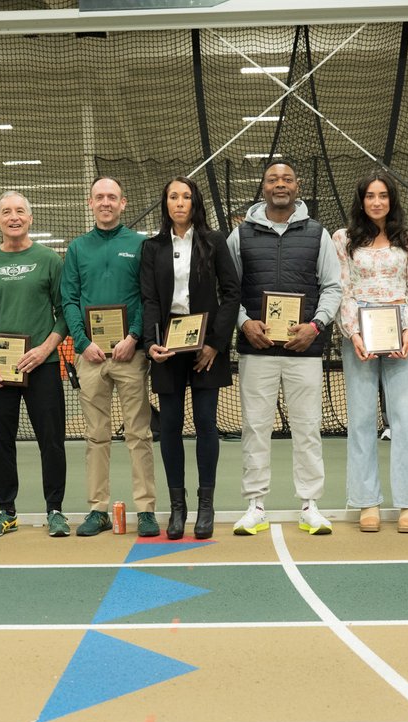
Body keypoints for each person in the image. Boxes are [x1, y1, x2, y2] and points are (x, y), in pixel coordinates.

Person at [227, 158, 343, 536]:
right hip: (256, 351)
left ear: (297, 186)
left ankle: (310, 505)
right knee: (255, 428)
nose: (280, 184)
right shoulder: (240, 235)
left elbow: (333, 287)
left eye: (287, 178)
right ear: (263, 188)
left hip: (302, 350)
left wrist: (315, 326)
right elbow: (226, 291)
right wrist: (244, 322)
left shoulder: (317, 234)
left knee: (307, 428)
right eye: (273, 179)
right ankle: (255, 506)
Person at [141, 176, 240, 540]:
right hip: (167, 347)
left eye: (185, 196)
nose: (179, 202)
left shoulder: (214, 241)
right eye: (172, 196)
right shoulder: (152, 248)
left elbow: (231, 293)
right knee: (168, 426)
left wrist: (215, 343)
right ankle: (178, 508)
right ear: (165, 203)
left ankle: (205, 506)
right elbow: (150, 299)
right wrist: (153, 344)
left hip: (206, 347)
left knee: (205, 422)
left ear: (194, 202)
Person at [0, 191, 70, 538]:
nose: (14, 216)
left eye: (20, 211)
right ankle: (6, 511)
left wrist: (45, 349)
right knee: (0, 441)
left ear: (30, 218)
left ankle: (55, 510)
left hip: (42, 365)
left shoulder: (49, 260)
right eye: (7, 212)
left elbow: (64, 314)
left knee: (52, 441)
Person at [61, 176, 158, 537]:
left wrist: (133, 337)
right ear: (90, 203)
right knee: (95, 436)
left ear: (123, 203)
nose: (105, 202)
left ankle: (145, 509)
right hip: (91, 357)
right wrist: (82, 342)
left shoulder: (140, 245)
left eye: (111, 197)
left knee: (139, 433)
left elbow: (147, 297)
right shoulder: (77, 248)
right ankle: (97, 509)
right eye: (99, 197)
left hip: (129, 355)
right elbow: (69, 299)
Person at [333, 170, 408, 533]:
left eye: (383, 195)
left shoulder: (407, 240)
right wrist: (354, 334)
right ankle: (366, 501)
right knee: (360, 420)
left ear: (392, 200)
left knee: (405, 420)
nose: (376, 202)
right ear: (360, 201)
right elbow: (342, 289)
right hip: (358, 339)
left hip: (401, 337)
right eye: (370, 195)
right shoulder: (343, 239)